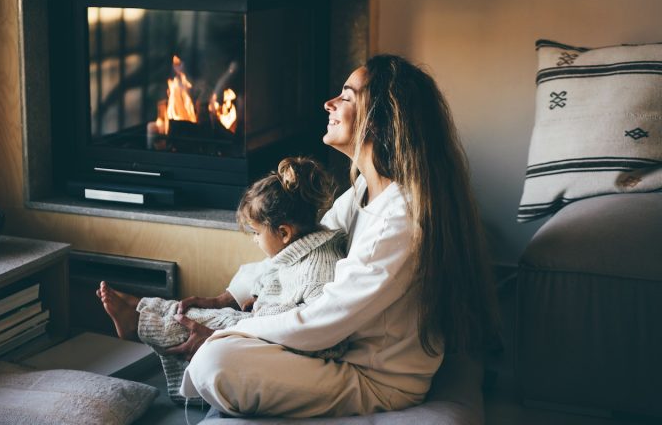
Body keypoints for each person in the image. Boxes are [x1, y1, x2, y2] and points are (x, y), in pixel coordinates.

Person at [164, 54, 499, 418]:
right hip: (335, 352)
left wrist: (228, 331)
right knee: (225, 342)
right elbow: (300, 252)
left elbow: (326, 321)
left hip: (375, 377)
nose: (329, 103)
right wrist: (229, 298)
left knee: (218, 360)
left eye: (347, 96)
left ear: (381, 120)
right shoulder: (362, 193)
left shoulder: (400, 217)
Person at [97, 157, 348, 404]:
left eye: (256, 233)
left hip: (273, 336)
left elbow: (321, 329)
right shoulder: (297, 249)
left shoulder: (320, 267)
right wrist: (258, 297)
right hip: (262, 322)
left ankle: (139, 324)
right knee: (196, 311)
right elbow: (278, 280)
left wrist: (264, 314)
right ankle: (146, 306)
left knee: (202, 321)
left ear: (283, 233)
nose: (255, 240)